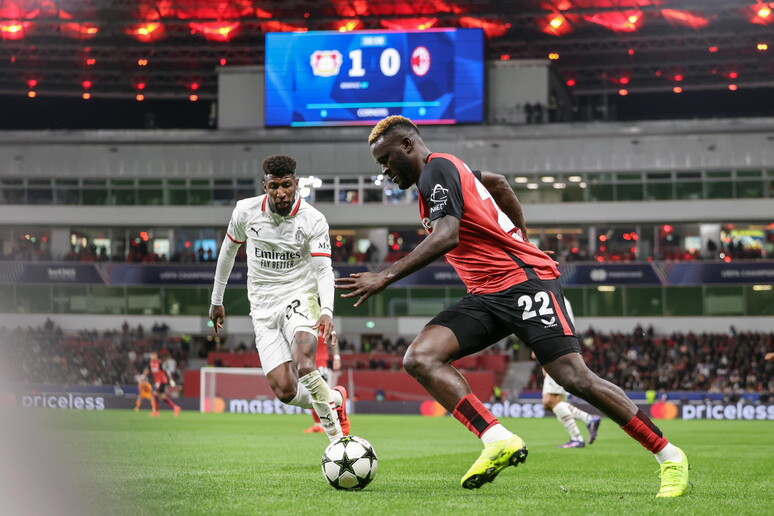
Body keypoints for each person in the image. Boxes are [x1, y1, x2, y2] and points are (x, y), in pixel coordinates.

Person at [335, 115, 688, 497]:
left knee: (574, 379)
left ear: (407, 145)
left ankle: (669, 456)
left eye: (385, 159)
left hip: (522, 284)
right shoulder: (449, 174)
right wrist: (523, 237)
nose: (384, 171)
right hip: (486, 294)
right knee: (421, 357)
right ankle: (497, 438)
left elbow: (447, 235)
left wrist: (384, 276)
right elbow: (499, 183)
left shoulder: (437, 168)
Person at [209, 154, 349, 442]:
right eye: (274, 186)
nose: (281, 192)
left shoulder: (313, 220)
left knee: (305, 363)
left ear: (296, 183)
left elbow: (324, 271)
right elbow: (227, 253)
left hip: (300, 298)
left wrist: (326, 312)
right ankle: (335, 397)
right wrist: (217, 299)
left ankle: (338, 441)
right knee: (285, 391)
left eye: (287, 185)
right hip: (262, 307)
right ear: (265, 186)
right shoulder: (245, 212)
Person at [536, 298, 601, 448]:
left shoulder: (547, 297)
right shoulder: (558, 298)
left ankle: (583, 428)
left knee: (550, 401)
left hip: (556, 352)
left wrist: (544, 354)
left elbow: (549, 326)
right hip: (561, 348)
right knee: (551, 402)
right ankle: (584, 426)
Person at [303, 330, 342, 434]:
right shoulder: (302, 321)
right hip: (306, 363)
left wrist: (337, 357)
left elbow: (333, 338)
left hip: (320, 364)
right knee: (311, 393)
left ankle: (330, 422)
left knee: (321, 394)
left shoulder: (322, 322)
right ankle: (317, 424)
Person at [143, 351, 181, 417]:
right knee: (162, 397)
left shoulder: (160, 363)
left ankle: (156, 412)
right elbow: (147, 370)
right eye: (151, 355)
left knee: (154, 394)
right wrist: (143, 376)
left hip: (162, 381)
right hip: (157, 382)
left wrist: (171, 380)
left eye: (153, 355)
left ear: (156, 356)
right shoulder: (151, 363)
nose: (151, 356)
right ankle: (175, 407)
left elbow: (166, 371)